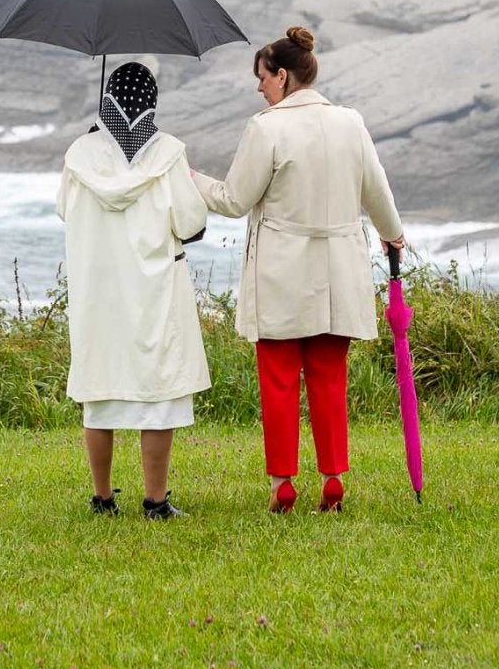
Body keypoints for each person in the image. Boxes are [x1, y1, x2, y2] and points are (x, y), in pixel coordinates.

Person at [192, 26, 404, 514]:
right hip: (340, 269)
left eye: (263, 78)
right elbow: (376, 191)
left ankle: (283, 483)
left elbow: (234, 200)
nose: (259, 88)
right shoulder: (350, 122)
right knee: (329, 378)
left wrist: (189, 177)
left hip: (280, 272)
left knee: (280, 380)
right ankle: (332, 478)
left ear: (283, 76)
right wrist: (392, 234)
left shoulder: (266, 128)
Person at [58, 61, 210, 520]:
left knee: (100, 394)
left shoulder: (78, 155)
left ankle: (103, 497)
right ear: (151, 104)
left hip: (98, 292)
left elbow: (64, 210)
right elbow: (191, 221)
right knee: (158, 398)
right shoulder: (168, 154)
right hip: (154, 292)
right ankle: (155, 501)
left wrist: (94, 142)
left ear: (107, 102)